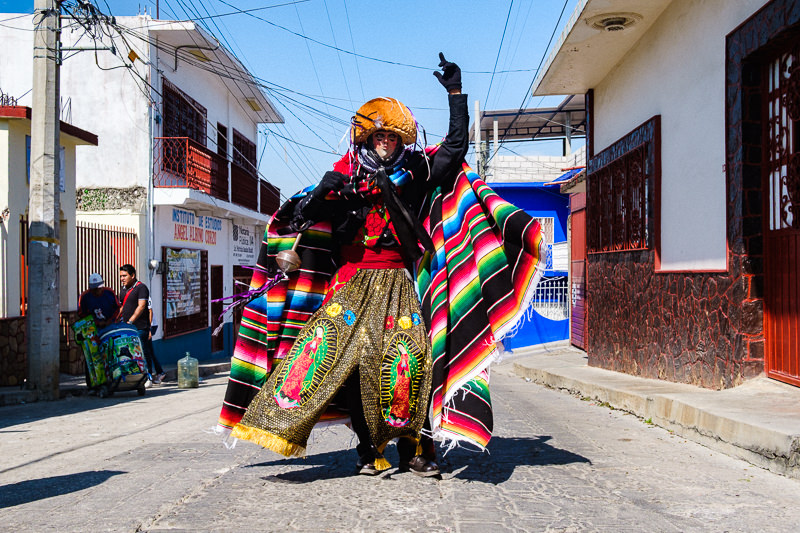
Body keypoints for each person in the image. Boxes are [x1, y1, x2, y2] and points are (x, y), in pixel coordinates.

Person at [219, 53, 547, 477]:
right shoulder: (343, 175)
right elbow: (301, 220)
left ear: (401, 141)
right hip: (349, 283)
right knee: (342, 365)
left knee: (410, 361)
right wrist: (320, 194)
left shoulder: (416, 170)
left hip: (400, 282)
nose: (386, 144)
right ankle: (366, 448)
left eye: (392, 138)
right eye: (379, 138)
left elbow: (454, 149)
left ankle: (416, 448)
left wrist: (455, 94)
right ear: (365, 139)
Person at [119, 264, 165, 384]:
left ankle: (148, 376)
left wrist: (131, 321)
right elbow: (121, 307)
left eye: (124, 276)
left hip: (140, 327)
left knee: (143, 353)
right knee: (132, 353)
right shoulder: (123, 290)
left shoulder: (141, 288)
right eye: (120, 276)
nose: (122, 279)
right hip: (127, 328)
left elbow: (143, 306)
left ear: (132, 275)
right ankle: (134, 376)